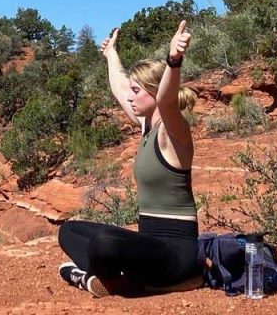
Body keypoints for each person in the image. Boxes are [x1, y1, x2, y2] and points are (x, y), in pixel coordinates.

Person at [57, 20, 201, 297]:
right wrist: (111, 54)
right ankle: (103, 278)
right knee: (69, 231)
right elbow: (119, 87)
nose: (130, 96)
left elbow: (167, 100)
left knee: (105, 245)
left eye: (138, 91)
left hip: (177, 253)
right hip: (149, 245)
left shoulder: (173, 134)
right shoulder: (146, 125)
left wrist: (173, 60)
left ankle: (105, 280)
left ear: (154, 92)